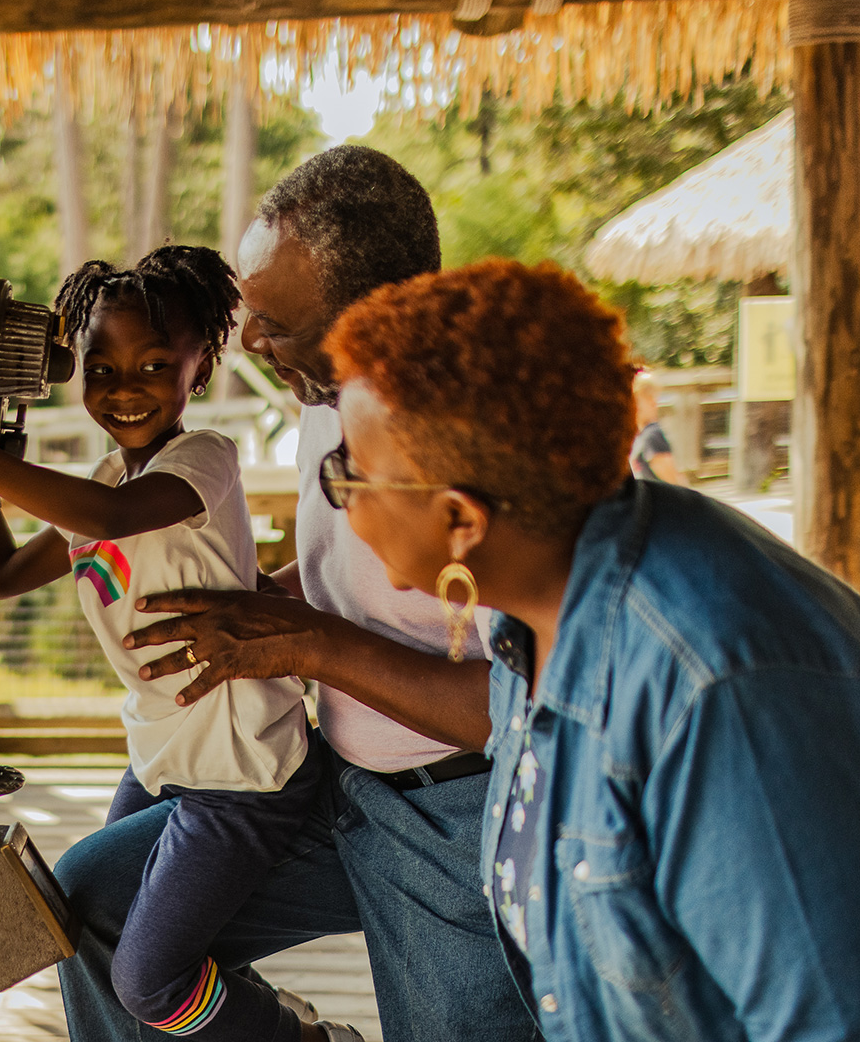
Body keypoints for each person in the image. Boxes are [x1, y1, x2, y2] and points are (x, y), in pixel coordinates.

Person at [326, 258, 860, 1039]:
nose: (343, 498)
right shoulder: (534, 620)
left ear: (460, 521)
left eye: (352, 474)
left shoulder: (724, 689)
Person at [57, 147, 542, 1042]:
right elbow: (344, 578)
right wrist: (239, 604)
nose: (247, 341)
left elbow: (513, 712)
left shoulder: (480, 445)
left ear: (370, 314)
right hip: (331, 783)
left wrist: (302, 642)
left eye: (274, 320)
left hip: (457, 814)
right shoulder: (329, 391)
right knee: (90, 908)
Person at [0, 246, 338, 1042]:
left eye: (151, 364)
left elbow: (105, 525)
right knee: (79, 916)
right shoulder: (103, 478)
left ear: (198, 368)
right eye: (101, 369)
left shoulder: (202, 461)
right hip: (166, 755)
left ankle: (289, 1031)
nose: (124, 387)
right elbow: (0, 577)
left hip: (242, 773)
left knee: (148, 978)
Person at [628, 370, 681, 483]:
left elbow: (672, 482)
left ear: (652, 402)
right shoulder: (641, 436)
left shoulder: (652, 435)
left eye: (636, 402)